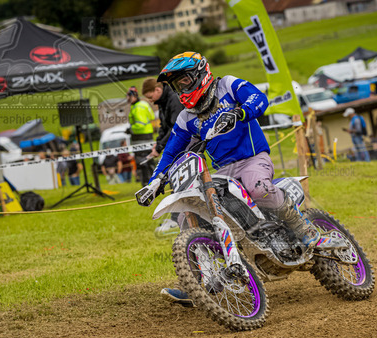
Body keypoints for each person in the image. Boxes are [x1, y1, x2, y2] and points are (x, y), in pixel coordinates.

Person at [143, 51, 345, 306]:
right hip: (221, 171)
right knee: (187, 215)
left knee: (257, 188)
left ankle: (306, 231)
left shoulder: (227, 85)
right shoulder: (186, 117)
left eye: (185, 81)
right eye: (176, 85)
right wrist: (155, 181)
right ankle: (199, 282)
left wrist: (239, 112)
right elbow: (172, 150)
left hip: (253, 158)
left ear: (200, 74)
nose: (182, 89)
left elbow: (258, 98)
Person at [142, 77, 185, 235]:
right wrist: (158, 144)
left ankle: (177, 219)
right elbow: (163, 126)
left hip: (183, 146)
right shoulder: (161, 102)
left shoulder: (174, 99)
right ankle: (177, 217)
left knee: (178, 182)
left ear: (158, 90)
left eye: (150, 96)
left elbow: (175, 128)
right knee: (174, 181)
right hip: (173, 146)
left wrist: (161, 146)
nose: (150, 100)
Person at [126, 86, 156, 184]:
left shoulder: (137, 107)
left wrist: (130, 130)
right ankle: (155, 181)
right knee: (150, 161)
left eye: (128, 96)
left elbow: (140, 124)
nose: (127, 98)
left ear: (133, 96)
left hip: (140, 137)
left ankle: (146, 184)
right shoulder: (143, 104)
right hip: (148, 136)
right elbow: (152, 116)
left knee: (142, 162)